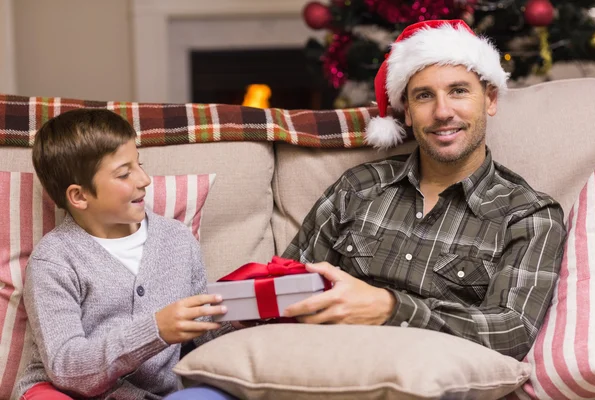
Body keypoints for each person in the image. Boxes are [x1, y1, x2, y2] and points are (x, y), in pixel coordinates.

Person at [282, 19, 566, 360]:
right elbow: (285, 288)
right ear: (408, 113)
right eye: (424, 96)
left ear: (490, 99)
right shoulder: (358, 187)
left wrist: (390, 308)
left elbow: (511, 331)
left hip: (435, 376)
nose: (442, 112)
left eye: (458, 91)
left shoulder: (528, 215)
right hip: (328, 363)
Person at [16, 109, 235, 400]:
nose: (144, 179)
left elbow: (205, 328)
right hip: (64, 390)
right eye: (124, 173)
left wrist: (245, 317)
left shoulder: (177, 240)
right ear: (79, 196)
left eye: (139, 164)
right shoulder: (54, 260)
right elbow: (66, 368)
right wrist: (155, 330)